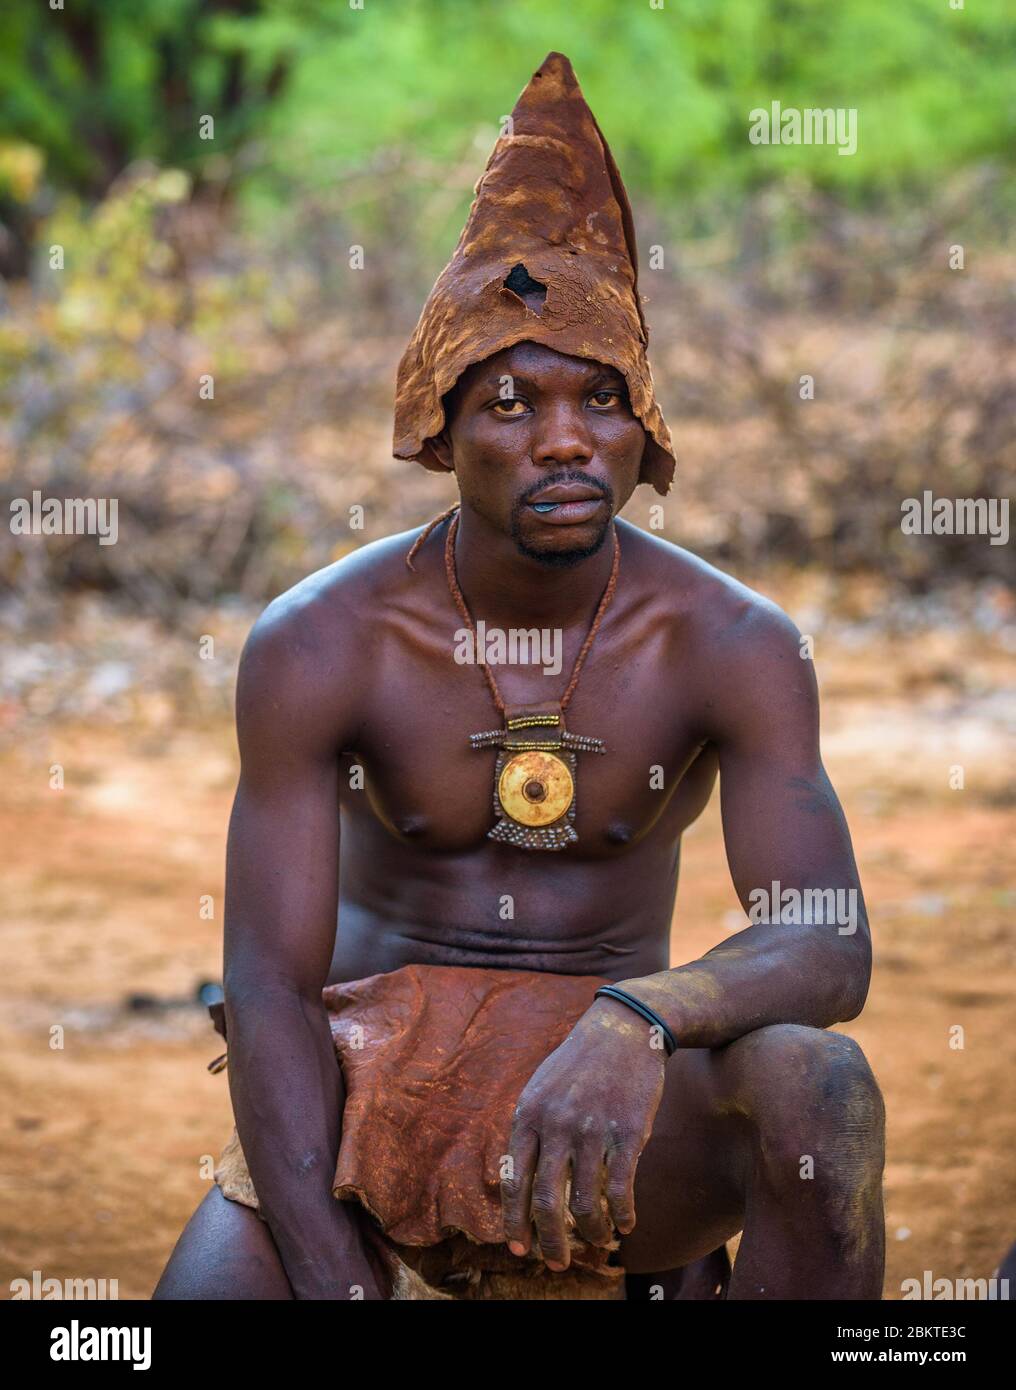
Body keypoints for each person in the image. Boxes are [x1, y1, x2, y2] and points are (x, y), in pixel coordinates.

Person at [154, 51, 884, 1301]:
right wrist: (336, 1286)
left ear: (642, 429)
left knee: (815, 1082)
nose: (563, 440)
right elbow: (270, 987)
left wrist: (637, 1015)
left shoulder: (729, 640)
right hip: (365, 1104)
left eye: (601, 400)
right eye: (508, 401)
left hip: (618, 1120)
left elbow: (829, 943)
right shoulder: (324, 639)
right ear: (438, 430)